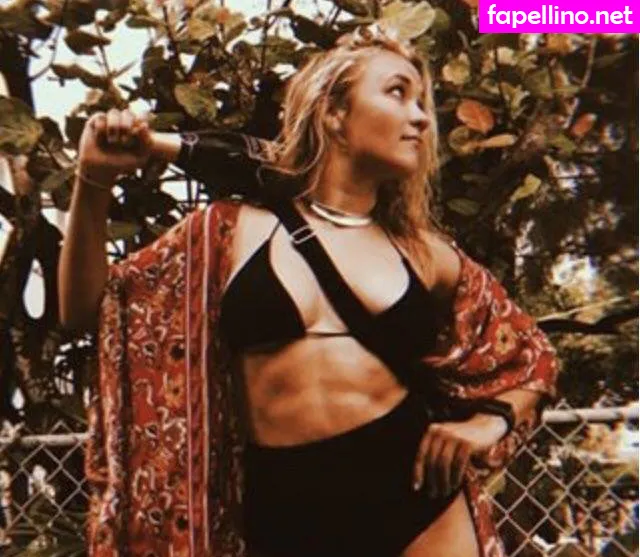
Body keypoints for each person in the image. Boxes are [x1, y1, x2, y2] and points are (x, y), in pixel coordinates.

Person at [59, 27, 558, 557]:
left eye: (422, 103)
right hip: (287, 515)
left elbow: (532, 356)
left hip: (419, 505)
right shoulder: (226, 233)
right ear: (334, 113)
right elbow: (84, 309)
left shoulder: (422, 252)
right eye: (397, 93)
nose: (420, 117)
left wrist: (488, 423)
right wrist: (93, 180)